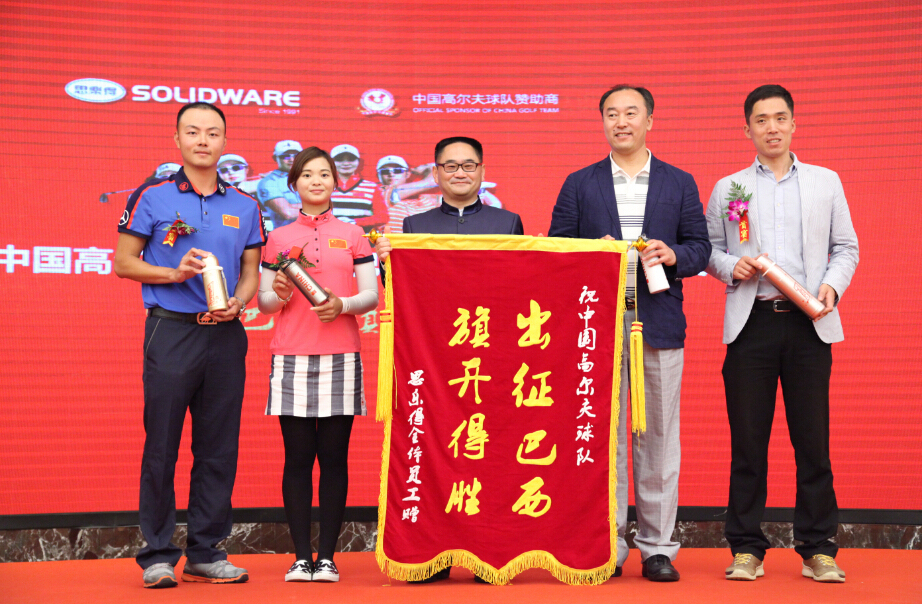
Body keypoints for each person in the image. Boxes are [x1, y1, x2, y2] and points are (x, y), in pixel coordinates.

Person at [548, 85, 709, 582]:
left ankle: (657, 547)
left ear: (649, 121)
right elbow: (555, 247)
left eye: (631, 113)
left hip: (658, 323)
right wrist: (590, 253)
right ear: (602, 122)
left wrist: (673, 254)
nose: (621, 122)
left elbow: (700, 248)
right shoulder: (580, 183)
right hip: (596, 326)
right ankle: (609, 543)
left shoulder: (679, 182)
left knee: (658, 437)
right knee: (605, 438)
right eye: (612, 114)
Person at [705, 85, 858, 583]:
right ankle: (746, 548)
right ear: (746, 128)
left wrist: (832, 287)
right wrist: (730, 266)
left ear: (794, 123)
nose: (771, 127)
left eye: (779, 118)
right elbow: (708, 249)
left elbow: (846, 247)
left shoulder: (825, 181)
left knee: (813, 442)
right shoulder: (729, 187)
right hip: (751, 323)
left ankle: (818, 549)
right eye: (761, 120)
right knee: (748, 444)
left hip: (809, 324)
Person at [114, 102, 265, 588]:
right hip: (172, 330)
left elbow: (250, 271)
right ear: (177, 139)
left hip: (226, 335)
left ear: (225, 142)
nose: (203, 140)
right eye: (193, 132)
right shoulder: (152, 196)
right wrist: (172, 274)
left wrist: (240, 303)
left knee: (218, 447)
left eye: (213, 133)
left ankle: (206, 551)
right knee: (162, 444)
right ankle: (157, 555)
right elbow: (123, 262)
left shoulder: (245, 204)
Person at [373, 136, 523, 584]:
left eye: (469, 165)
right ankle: (432, 553)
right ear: (436, 173)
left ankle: (488, 553)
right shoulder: (415, 224)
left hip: (491, 360)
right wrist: (386, 264)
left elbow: (521, 288)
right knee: (435, 449)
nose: (460, 173)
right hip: (434, 361)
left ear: (482, 171)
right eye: (450, 166)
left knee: (490, 454)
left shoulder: (507, 222)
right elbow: (402, 290)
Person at [257, 147, 378, 583]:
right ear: (294, 183)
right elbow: (264, 302)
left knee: (334, 459)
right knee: (297, 459)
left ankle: (327, 557)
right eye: (307, 174)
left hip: (341, 355)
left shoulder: (354, 234)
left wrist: (342, 305)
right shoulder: (278, 238)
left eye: (324, 174)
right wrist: (280, 294)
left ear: (335, 182)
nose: (316, 181)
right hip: (291, 356)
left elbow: (371, 295)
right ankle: (299, 557)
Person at [329, 144, 388, 230]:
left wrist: (356, 222)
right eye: (339, 159)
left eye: (351, 159)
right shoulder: (324, 186)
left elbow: (383, 217)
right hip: (330, 236)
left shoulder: (371, 187)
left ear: (358, 161)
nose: (345, 163)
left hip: (361, 236)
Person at [257, 140, 303, 230]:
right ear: (275, 158)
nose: (292, 159)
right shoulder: (269, 182)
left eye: (296, 155)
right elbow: (288, 213)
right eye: (285, 156)